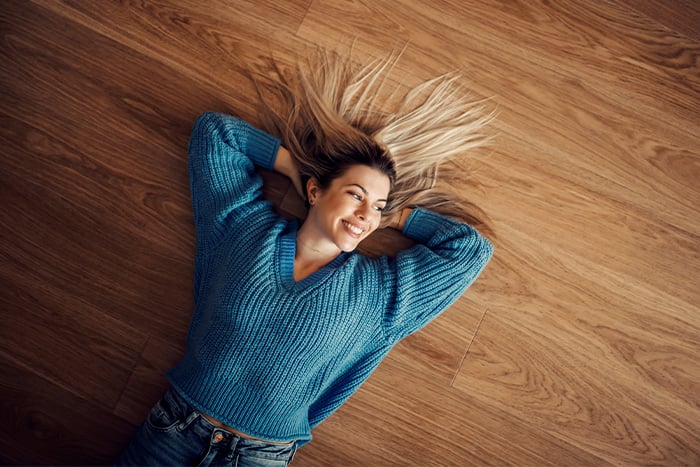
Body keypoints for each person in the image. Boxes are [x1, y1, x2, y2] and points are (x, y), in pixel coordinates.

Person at [116, 50, 494, 466]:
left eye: (378, 205)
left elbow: (469, 249)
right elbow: (216, 133)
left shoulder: (379, 295)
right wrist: (296, 169)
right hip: (175, 429)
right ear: (315, 192)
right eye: (356, 195)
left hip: (261, 456)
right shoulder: (243, 232)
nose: (367, 212)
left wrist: (393, 218)